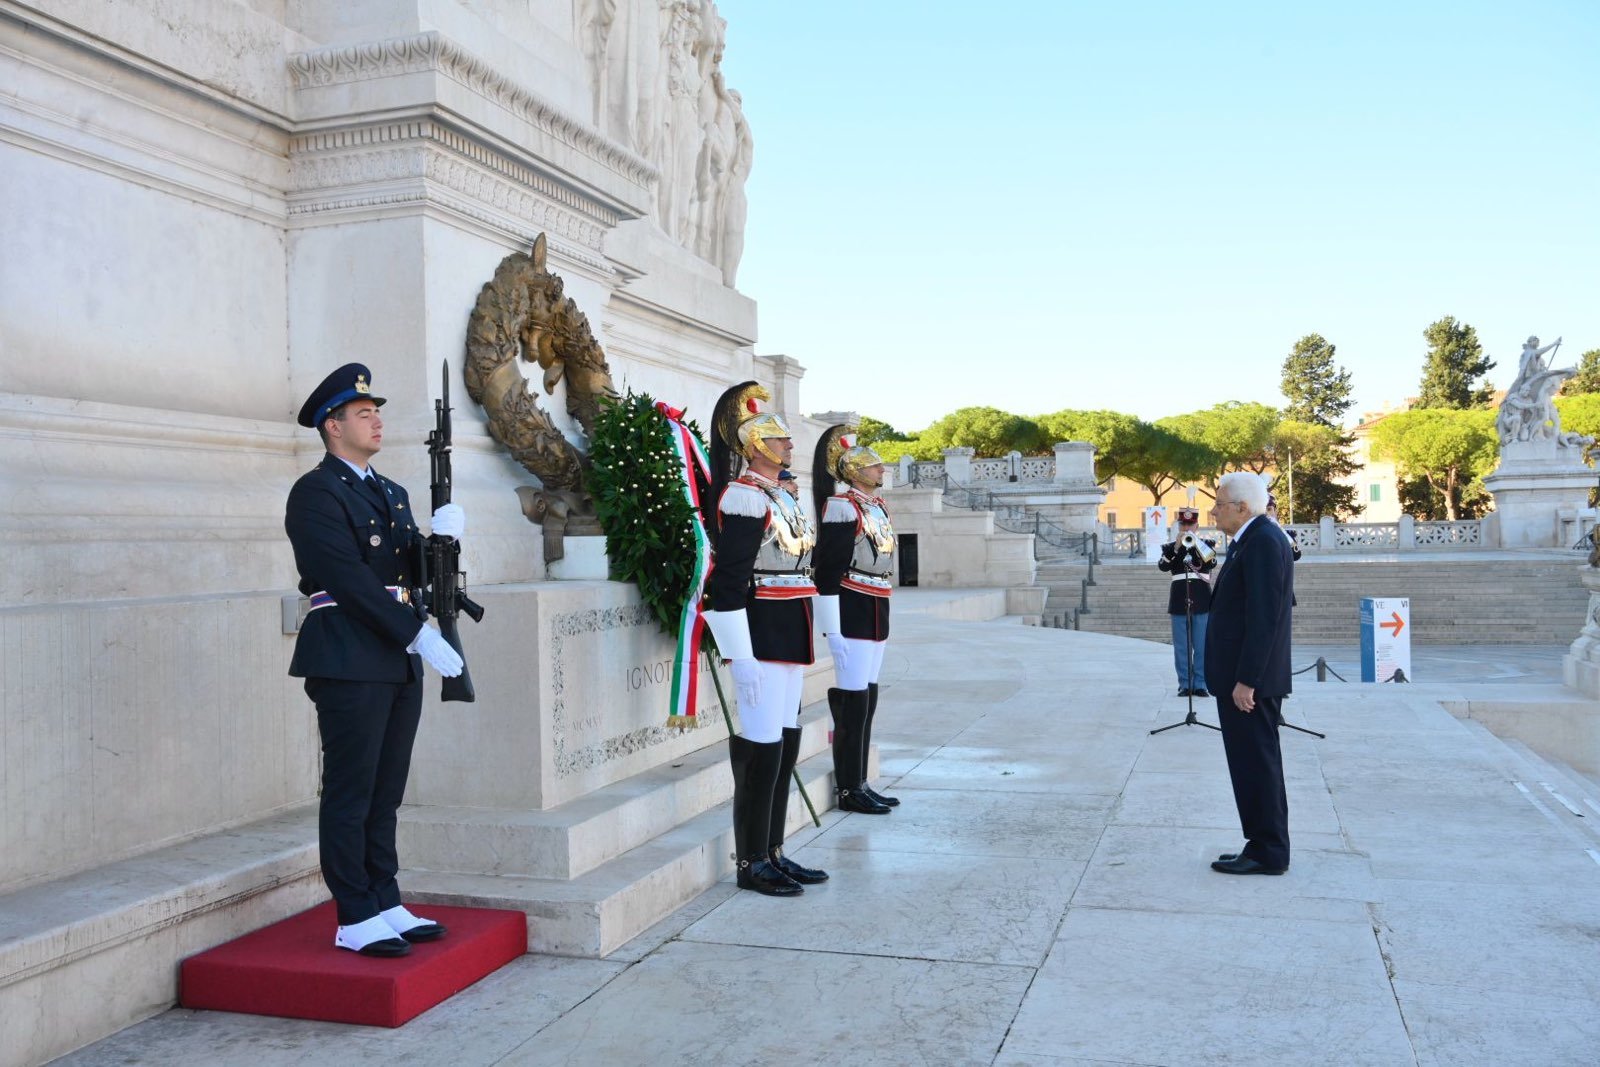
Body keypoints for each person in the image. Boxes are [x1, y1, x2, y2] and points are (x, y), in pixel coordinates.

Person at [286, 363, 466, 956]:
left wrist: (442, 539)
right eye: (363, 414)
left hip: (394, 656)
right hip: (348, 653)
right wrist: (415, 633)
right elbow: (347, 577)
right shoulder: (316, 492)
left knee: (386, 789)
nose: (376, 420)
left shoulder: (390, 492)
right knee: (351, 789)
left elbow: (410, 570)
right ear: (332, 427)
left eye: (377, 411)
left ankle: (385, 898)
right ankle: (354, 912)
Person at [701, 381, 827, 895]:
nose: (790, 447)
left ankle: (774, 850)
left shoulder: (783, 495)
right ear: (755, 447)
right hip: (760, 631)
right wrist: (740, 654)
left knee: (785, 743)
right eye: (779, 441)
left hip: (790, 627)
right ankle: (750, 861)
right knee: (760, 746)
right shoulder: (746, 497)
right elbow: (727, 582)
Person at [1205, 472, 1295, 876]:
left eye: (1220, 504)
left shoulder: (1260, 542)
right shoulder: (1253, 540)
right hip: (1244, 678)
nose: (1213, 511)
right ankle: (1260, 842)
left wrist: (1247, 680)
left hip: (1249, 684)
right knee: (1252, 764)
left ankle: (1267, 850)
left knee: (1256, 765)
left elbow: (1264, 619)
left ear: (1242, 507)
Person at [812, 426, 898, 815]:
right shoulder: (843, 507)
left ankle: (860, 779)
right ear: (854, 470)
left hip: (877, 601)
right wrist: (832, 629)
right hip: (853, 603)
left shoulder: (876, 506)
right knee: (852, 698)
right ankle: (848, 786)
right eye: (873, 465)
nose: (881, 469)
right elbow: (828, 569)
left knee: (869, 694)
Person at [1156, 507, 1216, 697]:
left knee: (1201, 645)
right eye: (1184, 524)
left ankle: (1200, 684)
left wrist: (1196, 543)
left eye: (1190, 524)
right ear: (1179, 525)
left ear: (1197, 526)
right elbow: (1163, 566)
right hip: (1179, 600)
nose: (1187, 527)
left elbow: (1212, 563)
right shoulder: (1170, 547)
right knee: (1181, 646)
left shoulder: (1206, 544)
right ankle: (1185, 684)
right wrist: (1176, 547)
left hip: (1201, 599)